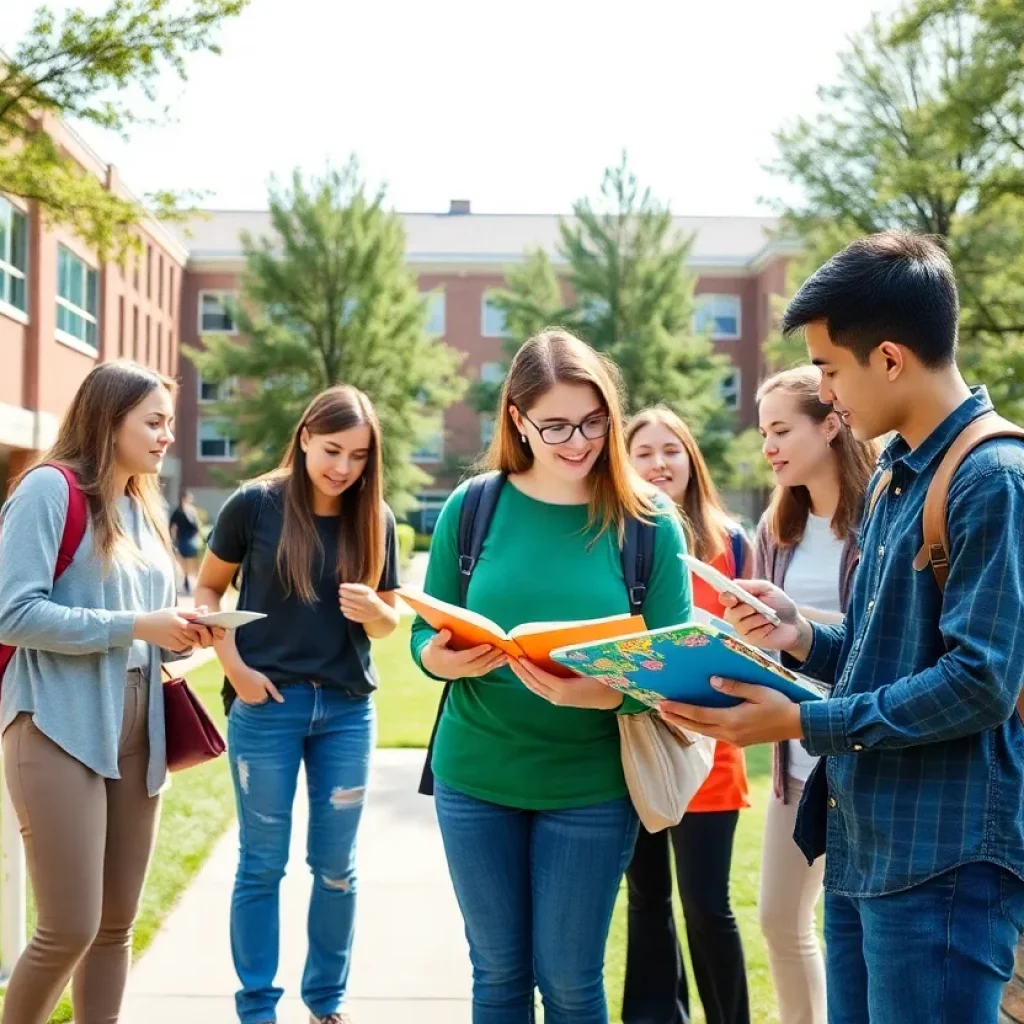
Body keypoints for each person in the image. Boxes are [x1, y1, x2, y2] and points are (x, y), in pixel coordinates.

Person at [659, 232, 1024, 1024]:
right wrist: (795, 636)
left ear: (889, 358)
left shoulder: (992, 478)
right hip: (863, 851)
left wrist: (801, 719)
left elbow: (981, 681)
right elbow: (875, 653)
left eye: (828, 367)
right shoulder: (896, 473)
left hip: (945, 865)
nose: (825, 392)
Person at [411, 329, 692, 1023]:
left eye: (595, 422)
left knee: (570, 981)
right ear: (517, 419)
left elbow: (678, 663)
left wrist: (599, 691)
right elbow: (424, 627)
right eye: (557, 425)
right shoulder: (472, 507)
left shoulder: (649, 523)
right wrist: (436, 657)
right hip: (475, 777)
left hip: (590, 787)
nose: (579, 441)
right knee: (498, 975)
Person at [0, 361, 218, 1024]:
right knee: (68, 926)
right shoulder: (48, 489)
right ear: (107, 419)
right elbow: (13, 612)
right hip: (55, 724)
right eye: (152, 422)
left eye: (167, 423)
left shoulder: (141, 506)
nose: (164, 437)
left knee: (116, 925)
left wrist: (178, 635)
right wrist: (136, 626)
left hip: (139, 727)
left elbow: (146, 622)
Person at [194, 384, 401, 1024]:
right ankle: (257, 1007)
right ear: (306, 435)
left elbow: (387, 625)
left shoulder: (379, 518)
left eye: (359, 456)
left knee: (335, 867)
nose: (344, 467)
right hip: (266, 706)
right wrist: (235, 667)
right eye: (333, 449)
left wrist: (377, 612)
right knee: (262, 864)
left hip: (345, 711)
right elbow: (206, 589)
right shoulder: (254, 505)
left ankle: (326, 1001)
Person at [752, 367, 876, 1024]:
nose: (767, 446)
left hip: (863, 752)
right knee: (778, 919)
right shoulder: (777, 530)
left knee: (853, 932)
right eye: (762, 432)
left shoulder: (882, 517)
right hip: (795, 759)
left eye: (780, 429)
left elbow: (879, 637)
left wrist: (793, 618)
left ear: (831, 423)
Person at [622, 405, 752, 1024]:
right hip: (637, 744)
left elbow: (755, 644)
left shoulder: (733, 541)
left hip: (712, 747)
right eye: (643, 452)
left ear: (691, 460)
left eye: (670, 450)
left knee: (707, 903)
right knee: (646, 898)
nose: (658, 462)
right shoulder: (615, 540)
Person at [170, 489, 203, 595]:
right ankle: (186, 580)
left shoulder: (192, 511)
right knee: (185, 562)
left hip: (189, 540)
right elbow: (173, 527)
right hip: (184, 540)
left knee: (189, 562)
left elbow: (197, 526)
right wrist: (173, 540)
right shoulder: (179, 511)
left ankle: (187, 580)